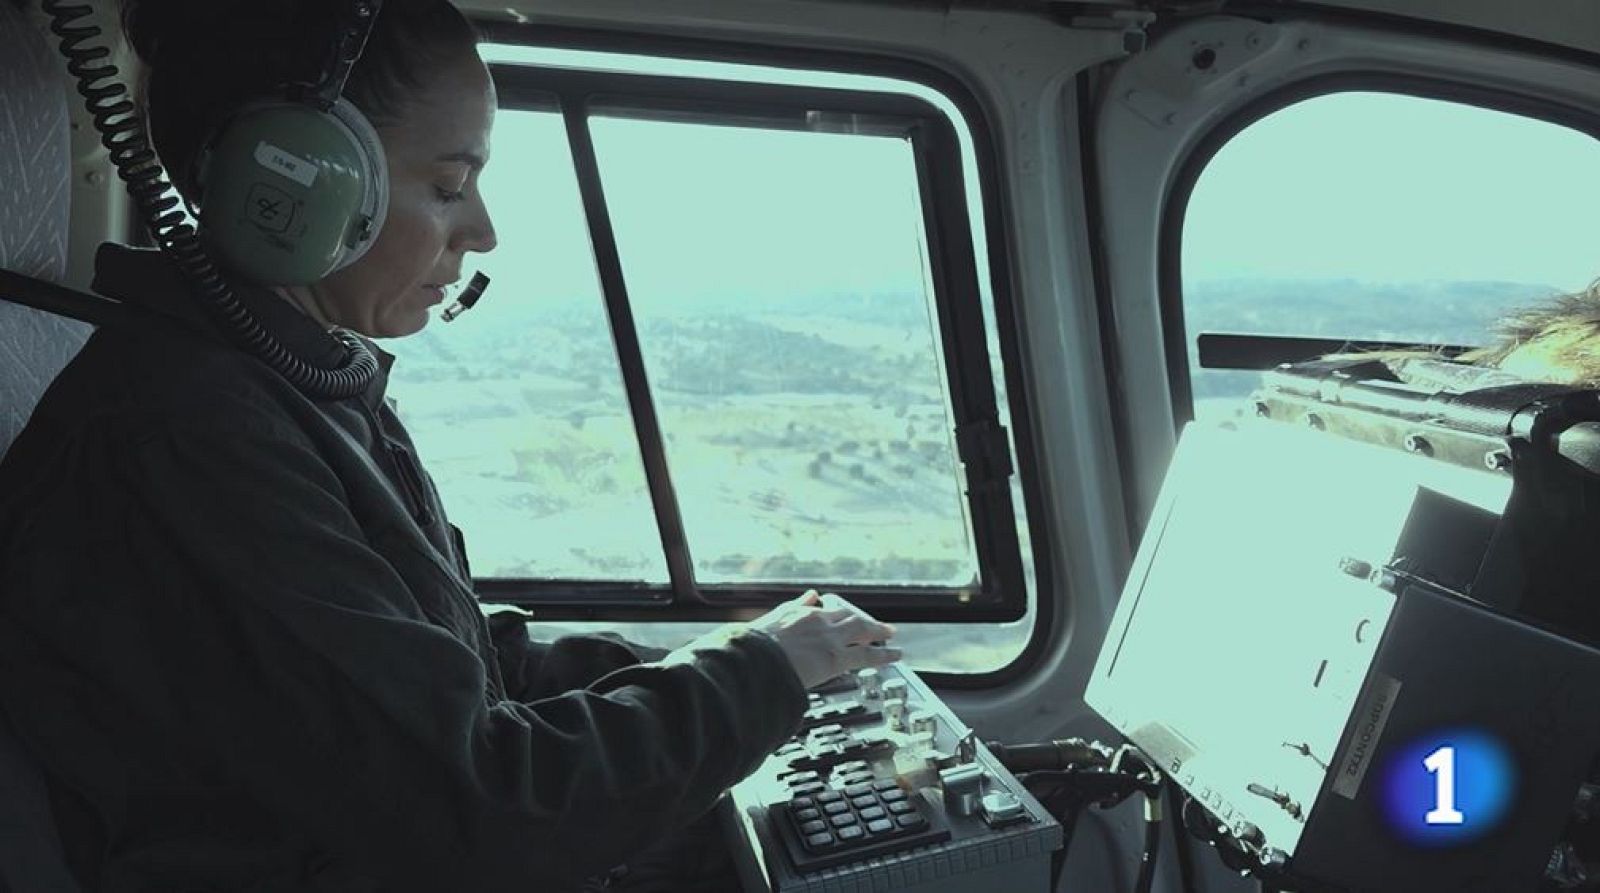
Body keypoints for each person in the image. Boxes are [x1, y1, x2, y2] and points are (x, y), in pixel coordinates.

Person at [0, 1, 901, 890]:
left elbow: (445, 665)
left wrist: (727, 669)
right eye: (447, 184)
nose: (483, 230)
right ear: (302, 180)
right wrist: (759, 674)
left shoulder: (294, 383)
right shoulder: (191, 439)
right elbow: (480, 809)